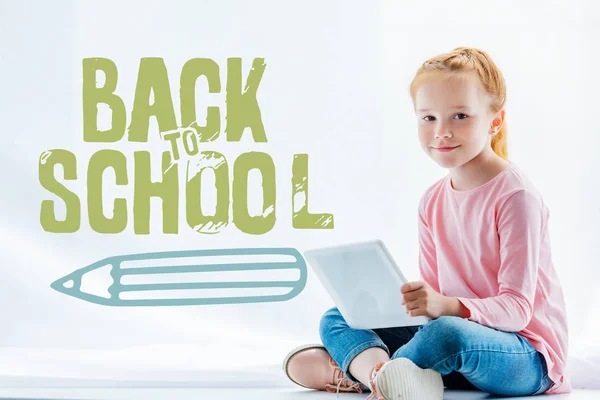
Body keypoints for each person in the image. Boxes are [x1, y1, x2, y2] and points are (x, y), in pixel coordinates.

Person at [282, 47, 571, 399]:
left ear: (494, 121)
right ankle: (384, 376)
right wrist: (417, 303)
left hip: (524, 356)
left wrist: (447, 306)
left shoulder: (516, 196)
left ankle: (363, 374)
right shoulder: (432, 201)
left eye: (460, 116)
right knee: (339, 316)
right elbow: (433, 307)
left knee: (447, 334)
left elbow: (517, 311)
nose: (442, 132)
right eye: (428, 118)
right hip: (454, 347)